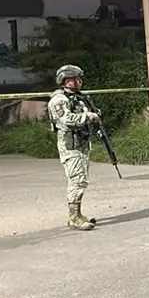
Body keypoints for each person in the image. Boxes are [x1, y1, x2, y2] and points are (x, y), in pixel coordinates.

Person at [47, 64, 99, 231]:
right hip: (70, 146)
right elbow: (67, 120)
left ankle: (78, 214)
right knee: (76, 180)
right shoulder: (59, 100)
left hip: (81, 144)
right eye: (75, 79)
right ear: (65, 81)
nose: (79, 81)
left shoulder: (76, 97)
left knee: (82, 180)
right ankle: (74, 217)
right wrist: (87, 116)